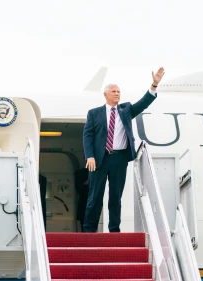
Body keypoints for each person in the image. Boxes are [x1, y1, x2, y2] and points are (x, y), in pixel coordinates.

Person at [83, 67, 165, 232]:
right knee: (95, 196)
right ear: (105, 94)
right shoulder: (94, 113)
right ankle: (89, 229)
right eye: (113, 91)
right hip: (99, 159)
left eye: (118, 91)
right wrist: (89, 156)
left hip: (119, 159)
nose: (117, 94)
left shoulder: (126, 110)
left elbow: (143, 103)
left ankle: (114, 229)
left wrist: (154, 85)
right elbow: (88, 136)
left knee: (116, 196)